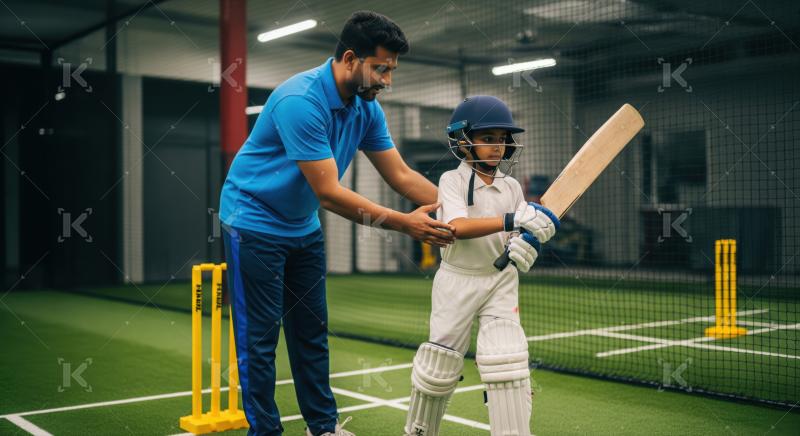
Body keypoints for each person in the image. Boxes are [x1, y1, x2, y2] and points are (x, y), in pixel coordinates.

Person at [219, 11, 455, 436]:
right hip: (252, 222)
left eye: (392, 70)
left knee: (311, 331)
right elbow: (329, 193)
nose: (387, 80)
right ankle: (266, 431)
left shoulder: (366, 109)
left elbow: (400, 175)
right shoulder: (301, 102)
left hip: (301, 226)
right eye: (380, 69)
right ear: (350, 58)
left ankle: (322, 427)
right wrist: (405, 224)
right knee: (260, 339)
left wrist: (461, 210)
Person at [403, 95, 559, 436]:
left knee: (508, 362)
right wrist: (512, 218)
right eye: (487, 139)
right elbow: (457, 227)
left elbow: (518, 231)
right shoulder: (452, 180)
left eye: (502, 139)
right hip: (457, 281)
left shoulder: (513, 186)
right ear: (463, 140)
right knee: (438, 367)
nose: (497, 147)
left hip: (500, 280)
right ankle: (419, 432)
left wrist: (527, 243)